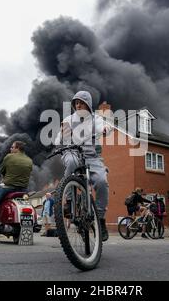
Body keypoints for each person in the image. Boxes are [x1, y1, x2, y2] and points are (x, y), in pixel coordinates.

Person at [54, 90, 112, 241]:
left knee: (101, 181)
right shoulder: (68, 119)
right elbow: (57, 140)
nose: (78, 105)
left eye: (82, 103)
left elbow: (103, 126)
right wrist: (61, 134)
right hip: (72, 152)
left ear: (88, 105)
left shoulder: (95, 118)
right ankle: (68, 200)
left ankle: (99, 218)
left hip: (92, 156)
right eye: (76, 103)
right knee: (72, 162)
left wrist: (105, 129)